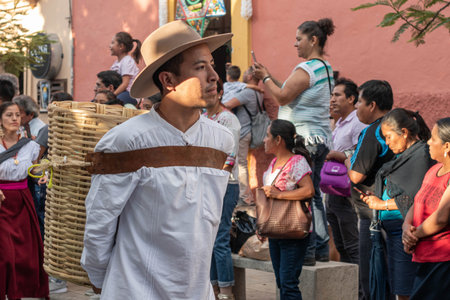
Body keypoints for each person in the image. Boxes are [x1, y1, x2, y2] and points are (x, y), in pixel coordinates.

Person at [80, 20, 234, 299]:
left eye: (211, 64)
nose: (214, 75)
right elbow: (100, 223)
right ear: (168, 80)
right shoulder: (126, 141)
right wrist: (104, 281)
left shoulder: (221, 141)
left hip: (196, 292)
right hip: (134, 290)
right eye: (200, 67)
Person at [253, 18, 335, 265]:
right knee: (315, 196)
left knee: (303, 196)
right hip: (319, 137)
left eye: (299, 39)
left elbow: (282, 97)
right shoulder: (324, 68)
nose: (295, 44)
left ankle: (308, 251)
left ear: (313, 40)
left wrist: (266, 79)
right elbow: (288, 92)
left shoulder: (308, 69)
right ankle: (319, 248)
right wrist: (268, 76)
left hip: (306, 139)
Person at [361, 108, 433, 300]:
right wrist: (376, 198)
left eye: (389, 136)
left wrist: (381, 205)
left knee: (406, 291)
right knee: (399, 289)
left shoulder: (421, 156)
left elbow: (417, 198)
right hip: (393, 235)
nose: (387, 142)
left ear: (404, 132)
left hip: (408, 235)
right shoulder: (404, 156)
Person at [345, 79, 395, 300]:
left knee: (372, 278)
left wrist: (346, 161)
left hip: (373, 213)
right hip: (398, 209)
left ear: (372, 105)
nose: (357, 107)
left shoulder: (373, 131)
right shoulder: (398, 126)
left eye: (360, 102)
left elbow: (356, 175)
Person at [260, 119, 314, 299]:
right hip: (276, 229)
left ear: (278, 140)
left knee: (288, 282)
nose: (264, 140)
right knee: (281, 282)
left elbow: (309, 190)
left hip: (293, 229)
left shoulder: (296, 161)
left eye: (268, 136)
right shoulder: (273, 163)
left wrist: (278, 195)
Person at [0, 101, 49, 300]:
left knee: (23, 256)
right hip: (2, 203)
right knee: (5, 255)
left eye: (17, 115)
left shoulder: (30, 145)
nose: (14, 119)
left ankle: (17, 293)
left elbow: (34, 170)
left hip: (22, 202)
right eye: (9, 115)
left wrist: (42, 175)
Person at [402, 117, 450, 300]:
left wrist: (413, 236)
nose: (428, 142)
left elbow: (441, 217)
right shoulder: (433, 170)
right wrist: (406, 227)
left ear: (447, 147)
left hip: (443, 259)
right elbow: (417, 201)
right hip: (424, 256)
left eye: (433, 138)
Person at [203, 80, 241, 300]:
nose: (206, 96)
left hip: (225, 184)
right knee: (208, 237)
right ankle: (213, 288)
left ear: (219, 93)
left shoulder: (228, 119)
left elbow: (231, 156)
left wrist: (216, 178)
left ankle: (226, 291)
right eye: (203, 91)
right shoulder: (202, 118)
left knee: (219, 239)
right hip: (208, 183)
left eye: (211, 91)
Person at [325, 78, 367, 265]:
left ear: (351, 99)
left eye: (337, 95)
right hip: (334, 188)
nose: (332, 99)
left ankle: (361, 288)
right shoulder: (340, 122)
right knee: (341, 244)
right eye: (332, 95)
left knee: (352, 244)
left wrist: (340, 155)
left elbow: (362, 150)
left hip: (348, 190)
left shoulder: (358, 121)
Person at [224, 67, 264, 205]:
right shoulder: (257, 92)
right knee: (241, 163)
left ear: (250, 76)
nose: (243, 74)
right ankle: (244, 195)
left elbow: (227, 105)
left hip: (241, 132)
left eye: (246, 72)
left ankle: (243, 196)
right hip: (247, 131)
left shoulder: (247, 92)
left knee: (240, 164)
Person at [110, 32, 141, 106]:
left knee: (112, 103)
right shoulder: (116, 63)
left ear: (121, 46)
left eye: (113, 43)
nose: (110, 46)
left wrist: (112, 95)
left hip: (129, 93)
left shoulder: (127, 61)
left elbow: (125, 84)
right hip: (121, 92)